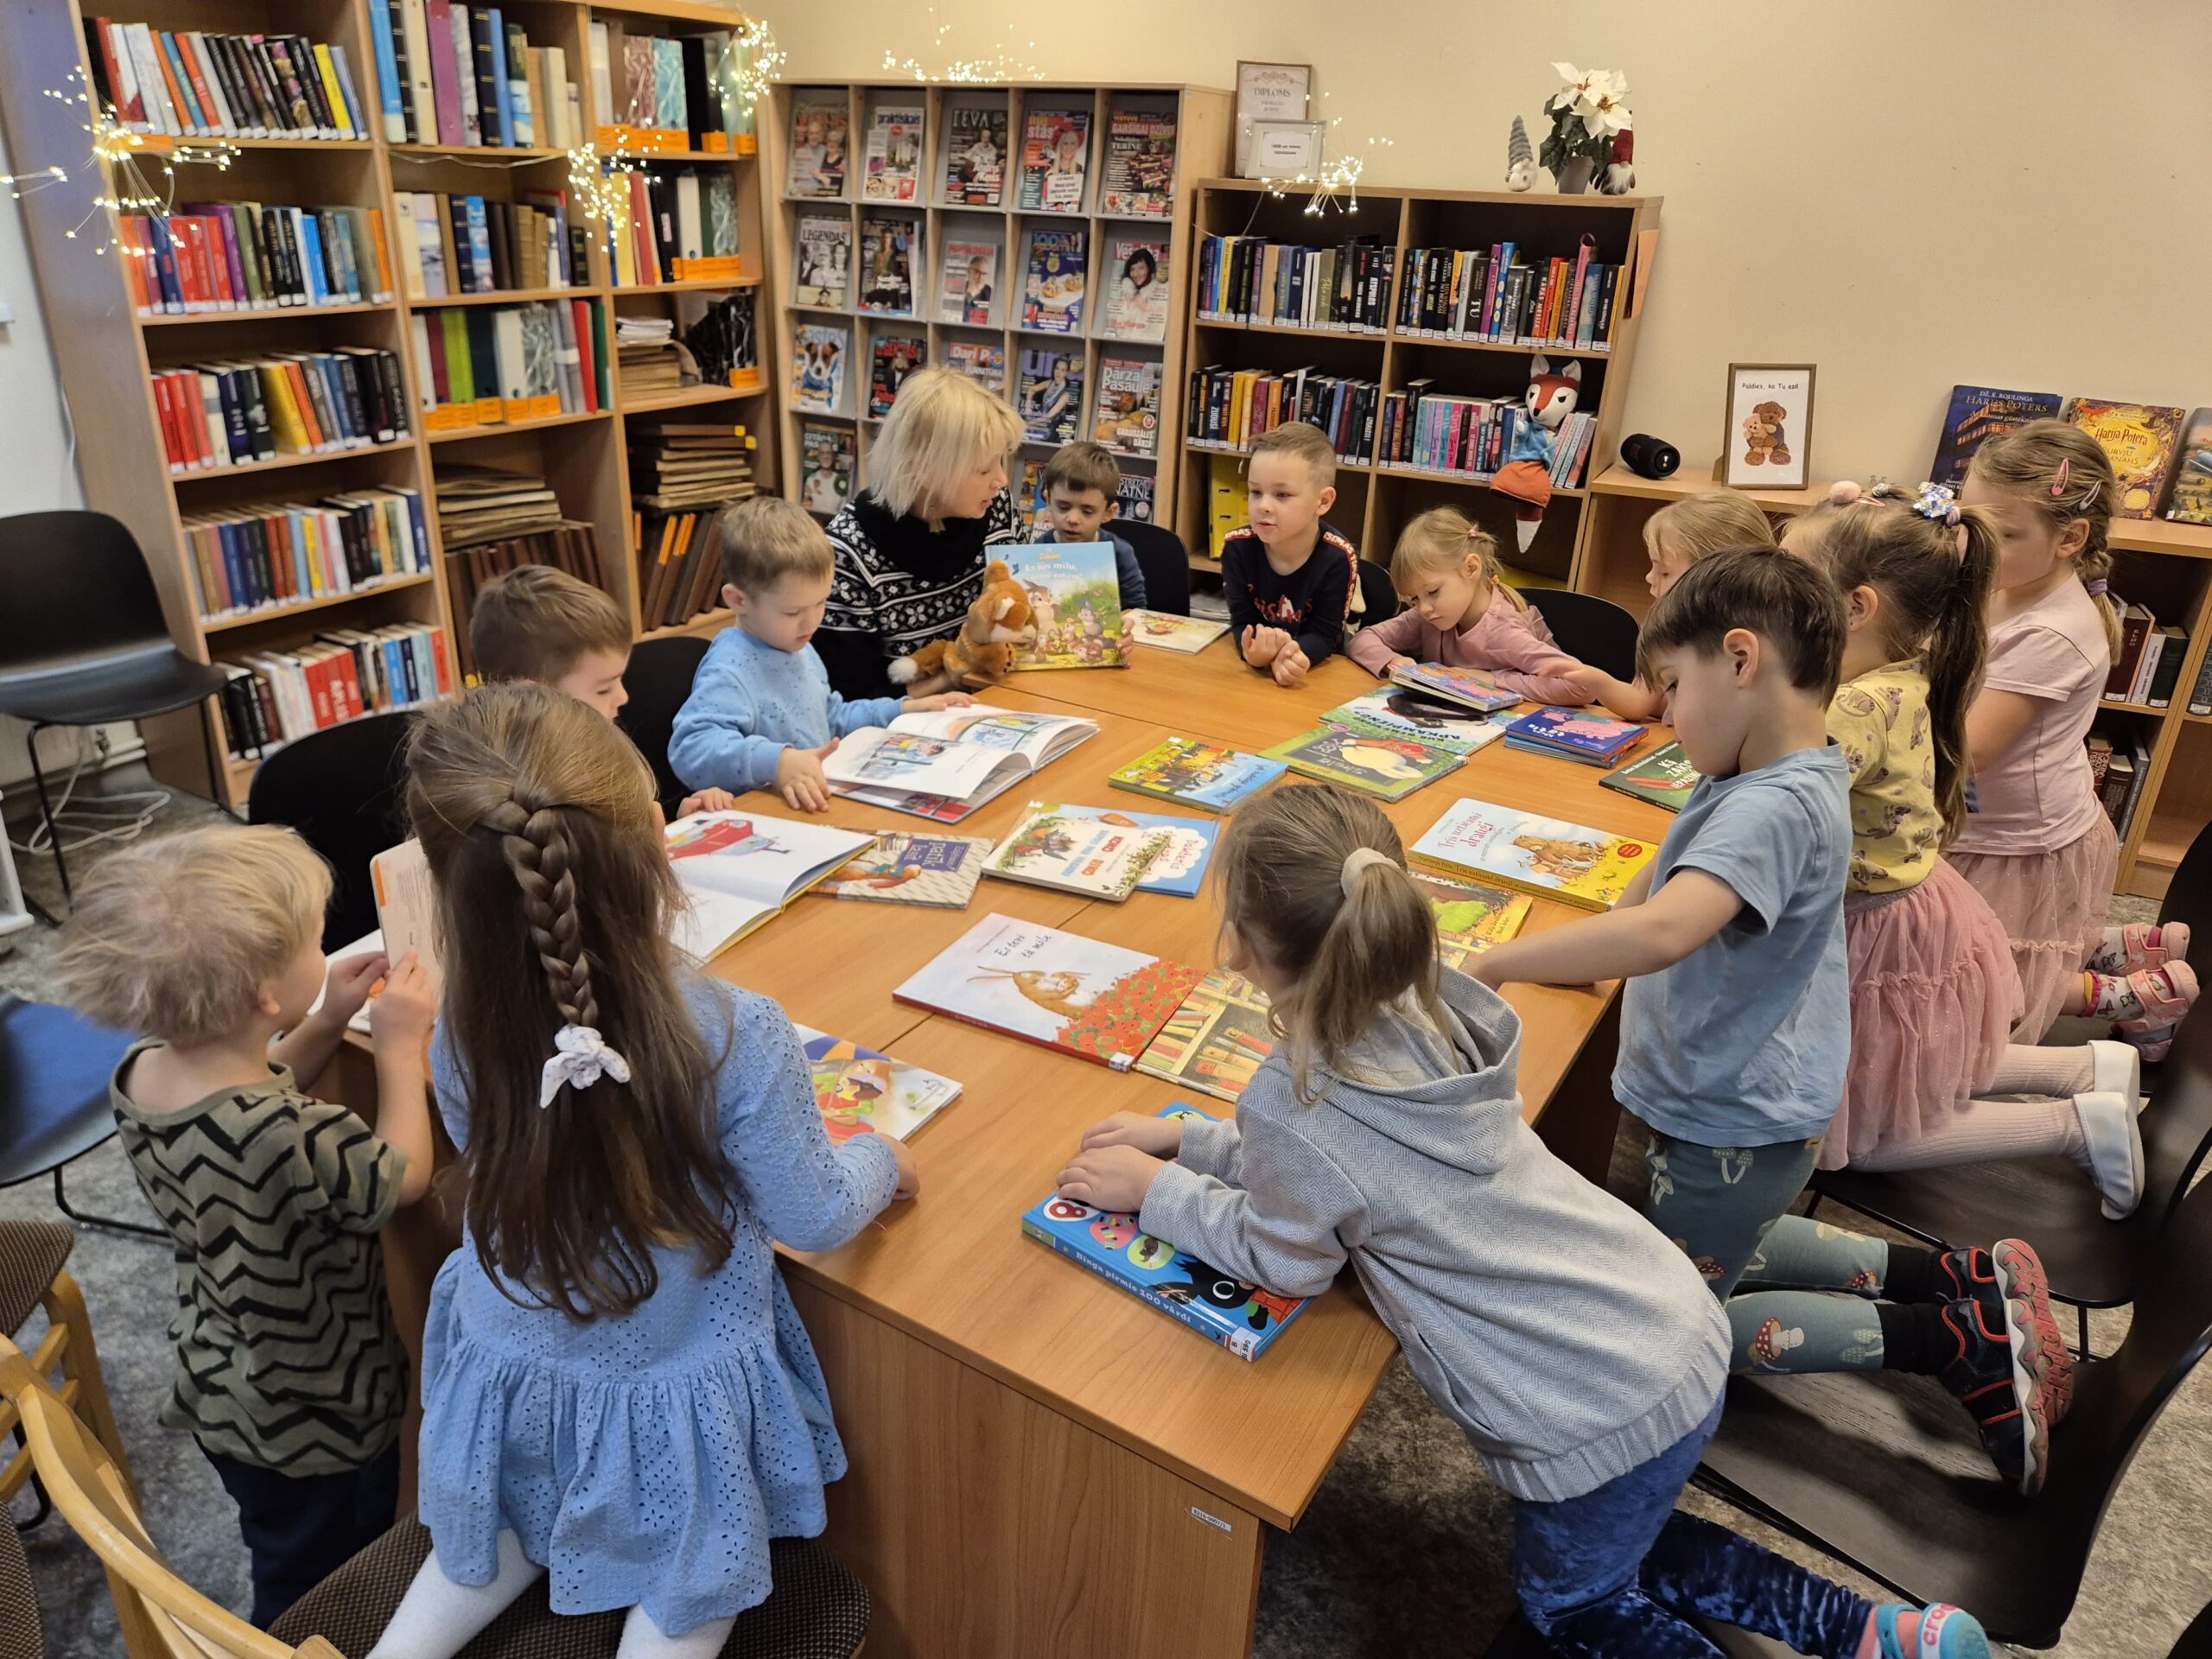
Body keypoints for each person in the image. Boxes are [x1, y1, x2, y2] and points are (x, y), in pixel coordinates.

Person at [1055, 784, 1993, 1659]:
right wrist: (1188, 1140)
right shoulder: (1424, 1003)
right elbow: (1332, 1175)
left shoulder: (1298, 1105)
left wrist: (1160, 1192)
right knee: (1636, 1542)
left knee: (1574, 1605)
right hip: (1663, 1323)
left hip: (1586, 1402)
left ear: (1242, 951)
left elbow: (1287, 1252)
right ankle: (1881, 1635)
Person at [1474, 549, 2067, 1497]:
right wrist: (1588, 949)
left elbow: (1668, 929)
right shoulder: (1763, 768)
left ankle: (1946, 1340)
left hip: (1733, 1115)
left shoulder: (1777, 806)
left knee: (1681, 1320)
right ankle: (1949, 1278)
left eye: (1670, 685)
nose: (1663, 712)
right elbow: (1661, 882)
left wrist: (1497, 961)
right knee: (1731, 1243)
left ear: (1740, 659)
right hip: (1733, 1099)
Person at [362, 687, 917, 1659]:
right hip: (673, 1397)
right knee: (693, 1572)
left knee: (488, 1542)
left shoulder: (455, 1024)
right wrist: (884, 1159)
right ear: (655, 845)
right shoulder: (736, 1030)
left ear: (444, 881)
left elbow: (491, 1149)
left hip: (513, 1372)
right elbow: (815, 1214)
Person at [52, 824, 436, 1630]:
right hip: (322, 1411)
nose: (324, 949)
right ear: (264, 995)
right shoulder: (291, 1137)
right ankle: (292, 1642)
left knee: (278, 1538)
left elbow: (250, 1087)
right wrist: (400, 1051)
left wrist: (328, 1015)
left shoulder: (148, 1070)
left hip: (226, 1377)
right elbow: (401, 1179)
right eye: (313, 943)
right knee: (319, 1575)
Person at [1777, 481, 2140, 1213]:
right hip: (1908, 909)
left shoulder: (1854, 704)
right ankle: (2085, 1069)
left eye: (1788, 582)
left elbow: (1783, 801)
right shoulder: (1904, 667)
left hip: (1874, 927)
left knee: (1860, 1129)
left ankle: (2071, 1124)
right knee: (1910, 1064)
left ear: (1855, 608)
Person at [1957, 420, 2195, 1052]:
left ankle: (2142, 996)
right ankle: (2130, 949)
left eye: (2000, 536)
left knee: (1985, 987)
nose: (1975, 548)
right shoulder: (1999, 584)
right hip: (1984, 828)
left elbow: (1967, 749)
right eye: (1967, 525)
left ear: (2070, 538)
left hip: (2017, 845)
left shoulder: (2053, 633)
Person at [669, 497, 972, 810]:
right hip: (764, 818)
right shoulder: (729, 669)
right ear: (738, 601)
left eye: (821, 602)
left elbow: (830, 718)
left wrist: (901, 709)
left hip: (809, 805)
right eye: (793, 611)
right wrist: (778, 760)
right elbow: (691, 747)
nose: (812, 620)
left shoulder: (798, 647)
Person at [816, 365, 1026, 702]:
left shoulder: (997, 508)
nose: (1001, 480)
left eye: (1000, 462)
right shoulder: (848, 551)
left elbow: (1023, 617)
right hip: (907, 729)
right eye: (984, 469)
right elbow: (850, 700)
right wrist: (956, 678)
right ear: (926, 471)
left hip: (998, 699)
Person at [468, 563, 736, 819]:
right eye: (603, 689)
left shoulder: (601, 749)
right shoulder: (514, 799)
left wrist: (683, 823)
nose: (623, 698)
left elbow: (636, 838)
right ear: (533, 695)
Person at [1347, 505, 1642, 713]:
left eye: (1433, 592)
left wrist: (1495, 680)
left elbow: (1581, 687)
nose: (1423, 608)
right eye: (1413, 600)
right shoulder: (1431, 615)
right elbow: (1363, 639)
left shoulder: (1503, 631)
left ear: (1471, 569)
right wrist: (1395, 663)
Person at [1567, 491, 1781, 717]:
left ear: (1713, 579)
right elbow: (1638, 702)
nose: (1650, 578)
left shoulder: (1762, 638)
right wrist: (1596, 680)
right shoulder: (1668, 631)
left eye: (1664, 571)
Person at [1222, 421, 1360, 686]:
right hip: (1253, 679)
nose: (1263, 506)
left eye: (1282, 495)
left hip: (1312, 678)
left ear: (1323, 502)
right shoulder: (1236, 547)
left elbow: (1325, 634)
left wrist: (1294, 656)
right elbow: (1242, 621)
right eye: (1255, 492)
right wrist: (1251, 651)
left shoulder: (1339, 557)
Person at [1033, 440, 1146, 610]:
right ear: (1048, 500)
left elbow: (1136, 610)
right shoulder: (1039, 550)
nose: (1073, 519)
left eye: (1087, 511)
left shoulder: (1120, 554)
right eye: (1063, 507)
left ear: (1108, 513)